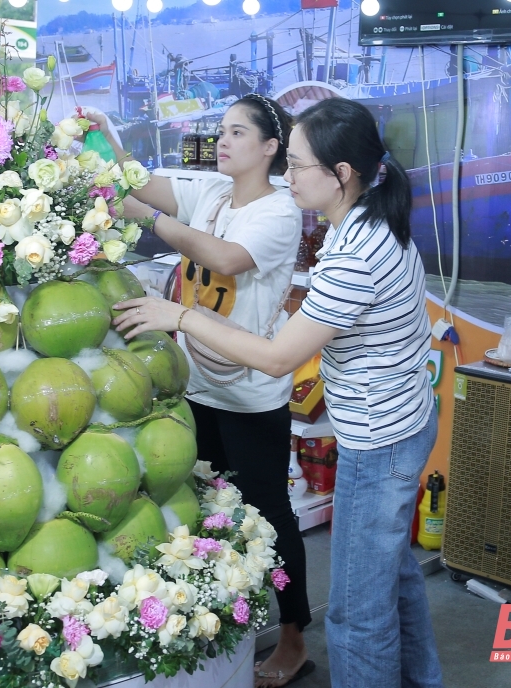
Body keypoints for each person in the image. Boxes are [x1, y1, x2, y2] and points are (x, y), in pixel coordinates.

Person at [114, 97, 442, 688]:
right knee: (392, 577)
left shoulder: (354, 253)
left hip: (379, 440)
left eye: (296, 164)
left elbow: (277, 357)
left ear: (341, 174)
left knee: (356, 613)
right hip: (396, 422)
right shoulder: (364, 224)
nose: (288, 176)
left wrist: (180, 317)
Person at [85, 95, 314, 688]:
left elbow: (223, 258)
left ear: (270, 147)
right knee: (198, 504)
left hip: (248, 395)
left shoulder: (279, 211)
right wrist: (103, 136)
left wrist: (146, 218)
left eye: (238, 133)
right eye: (221, 131)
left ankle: (293, 637)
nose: (223, 141)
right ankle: (217, 615)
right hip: (194, 384)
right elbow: (138, 183)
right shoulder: (210, 192)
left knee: (269, 515)